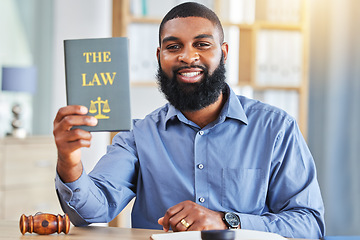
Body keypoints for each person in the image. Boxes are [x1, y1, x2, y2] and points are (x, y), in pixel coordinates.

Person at [54, 2, 325, 239]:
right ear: (159, 57)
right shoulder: (138, 135)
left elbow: (309, 225)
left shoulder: (276, 129)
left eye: (202, 44)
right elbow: (91, 212)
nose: (187, 56)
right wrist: (70, 161)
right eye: (173, 47)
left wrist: (226, 221)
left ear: (224, 52)